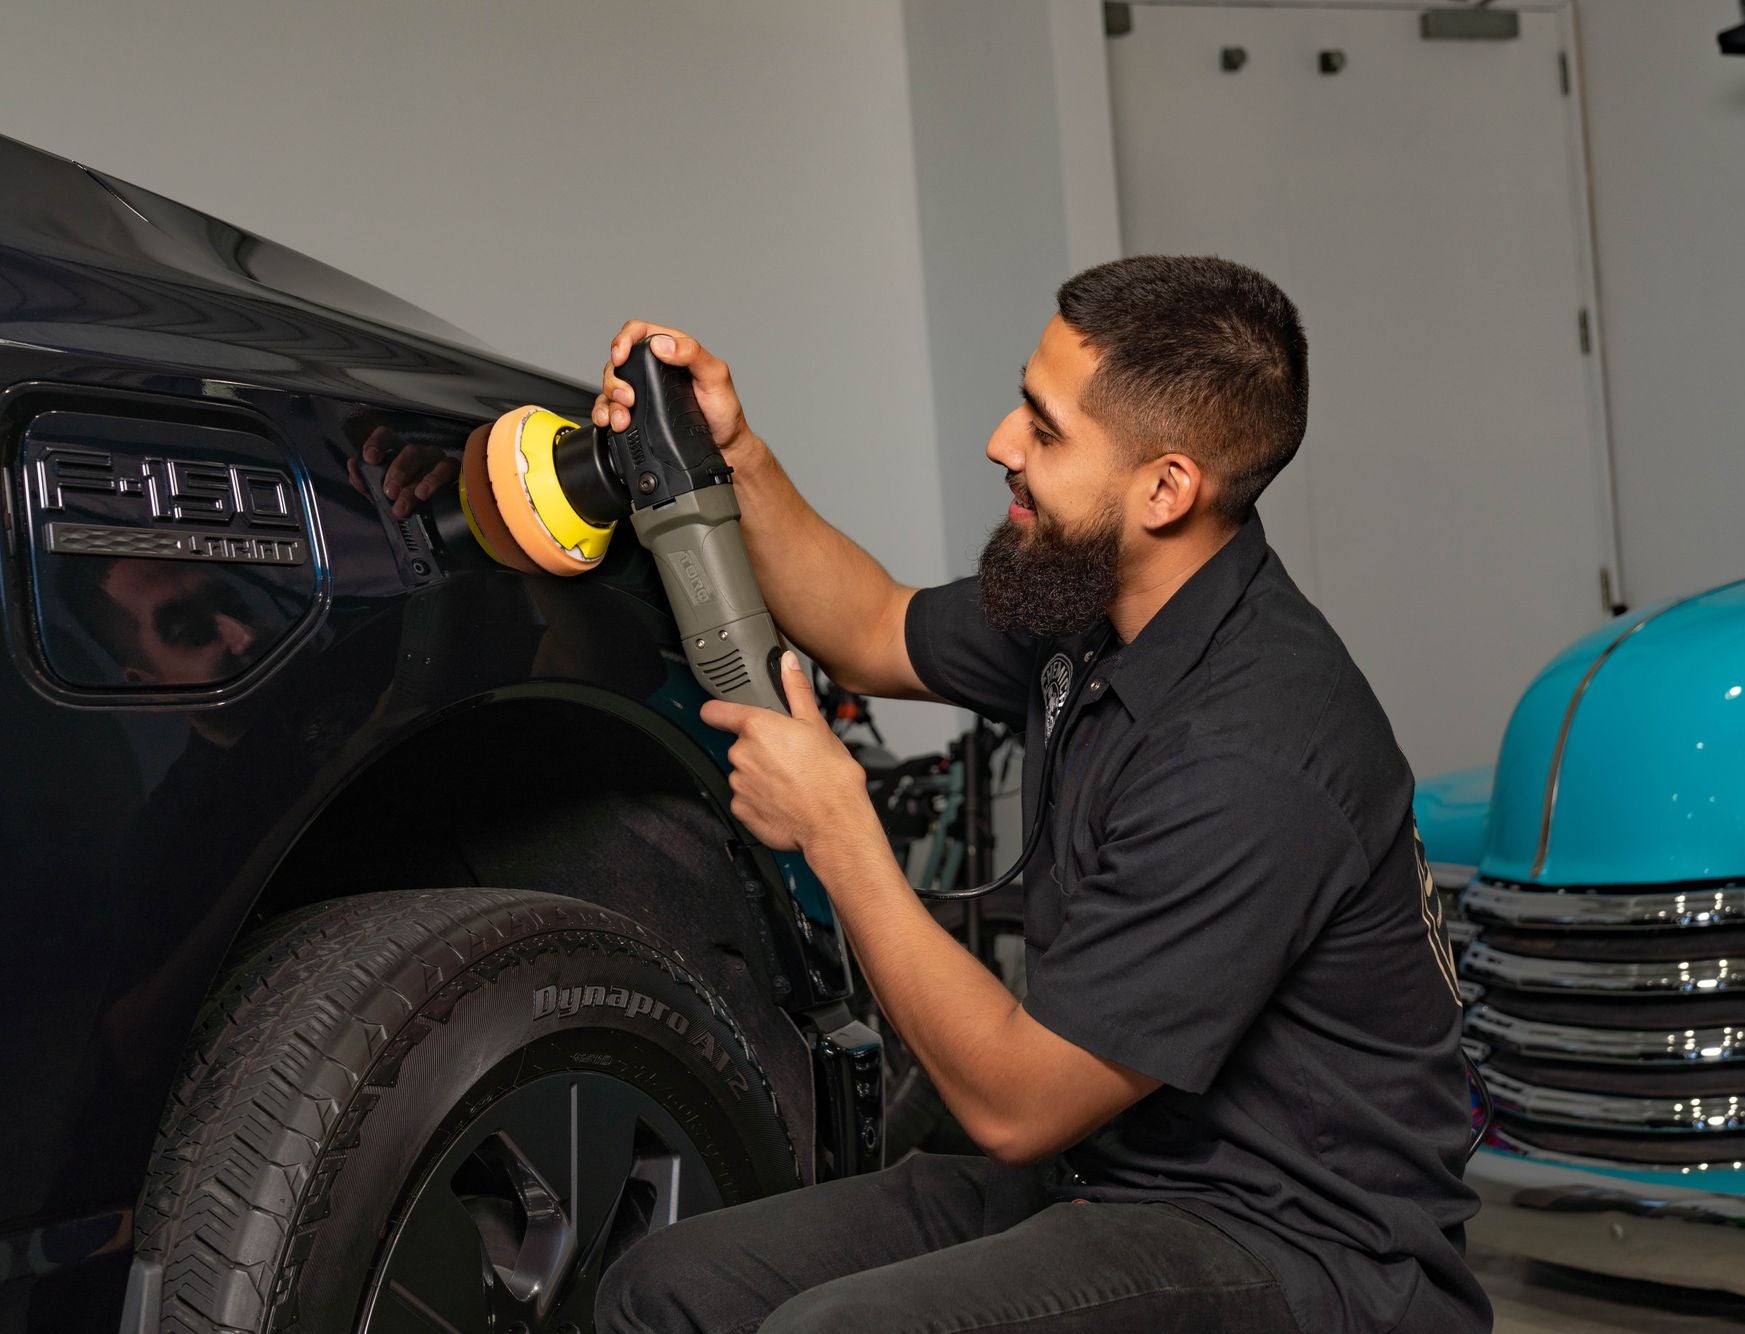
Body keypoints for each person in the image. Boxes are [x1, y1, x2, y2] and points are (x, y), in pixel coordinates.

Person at [593, 256, 1488, 1334]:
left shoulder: (1253, 749)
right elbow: (872, 625)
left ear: (1165, 488)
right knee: (667, 1286)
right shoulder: (1098, 602)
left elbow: (1016, 1103)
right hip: (1107, 1177)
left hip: (1301, 1252)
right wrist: (733, 453)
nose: (1000, 443)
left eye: (1043, 427)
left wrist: (839, 831)